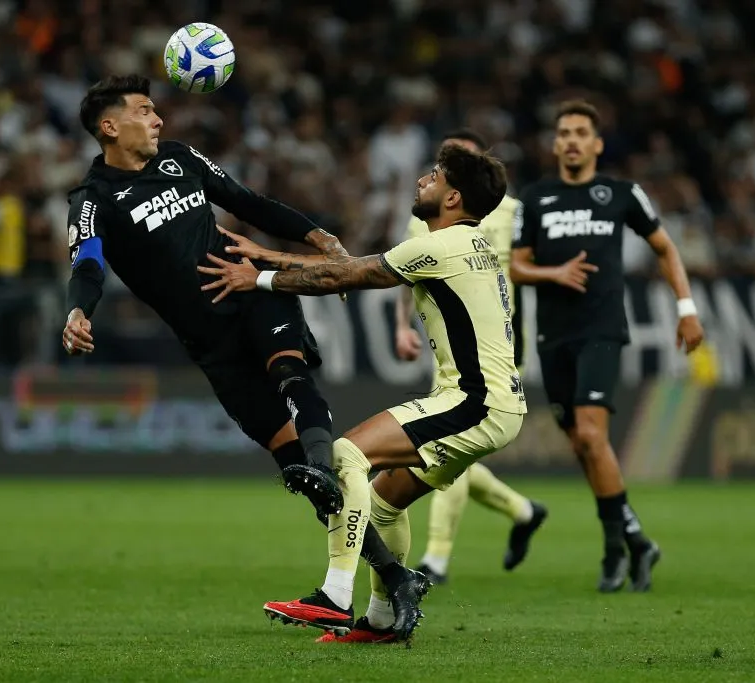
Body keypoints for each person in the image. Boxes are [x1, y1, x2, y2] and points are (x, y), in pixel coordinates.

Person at [60, 75, 426, 626]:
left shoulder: (180, 157)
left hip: (250, 288)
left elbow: (248, 203)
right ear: (109, 127)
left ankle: (325, 469)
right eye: (144, 110)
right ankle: (396, 576)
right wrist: (78, 310)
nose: (158, 119)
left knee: (290, 377)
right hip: (209, 343)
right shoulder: (94, 200)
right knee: (290, 459)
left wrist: (318, 236)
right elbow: (87, 263)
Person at [200, 143, 525, 642]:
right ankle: (381, 619)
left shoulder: (441, 246)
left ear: (453, 197)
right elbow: (352, 267)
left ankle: (334, 595)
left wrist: (258, 278)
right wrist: (271, 256)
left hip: (472, 403)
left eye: (434, 176)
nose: (422, 180)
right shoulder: (467, 244)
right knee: (385, 500)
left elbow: (342, 275)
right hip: (495, 404)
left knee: (344, 455)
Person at [510, 100, 705, 592]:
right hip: (552, 338)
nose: (572, 140)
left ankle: (614, 550)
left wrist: (686, 309)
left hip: (601, 331)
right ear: (555, 144)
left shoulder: (621, 193)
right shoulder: (536, 198)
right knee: (582, 445)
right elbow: (516, 264)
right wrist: (553, 272)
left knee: (592, 436)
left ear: (597, 144)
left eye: (581, 132)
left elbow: (665, 248)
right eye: (564, 133)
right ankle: (638, 540)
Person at [395, 130, 547, 586]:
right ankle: (523, 511)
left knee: (450, 440)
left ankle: (436, 558)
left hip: (497, 347)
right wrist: (401, 326)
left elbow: (528, 266)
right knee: (453, 448)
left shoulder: (513, 211)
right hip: (448, 342)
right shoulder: (426, 215)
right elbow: (403, 268)